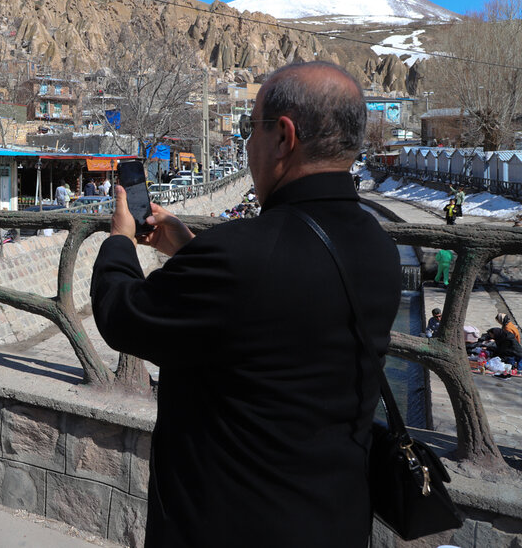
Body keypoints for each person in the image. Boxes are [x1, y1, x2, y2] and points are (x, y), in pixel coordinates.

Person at [91, 61, 401, 547]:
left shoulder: (242, 252)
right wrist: (189, 246)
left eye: (247, 129)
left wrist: (119, 241)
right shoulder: (379, 249)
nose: (246, 145)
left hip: (227, 523)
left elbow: (122, 315)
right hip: (335, 522)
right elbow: (271, 313)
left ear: (283, 136)